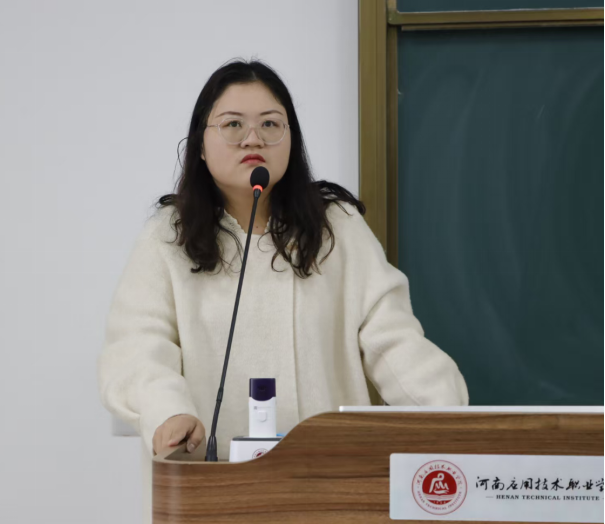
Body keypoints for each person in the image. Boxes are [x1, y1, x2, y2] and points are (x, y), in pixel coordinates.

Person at [97, 58, 469, 521]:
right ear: (200, 145)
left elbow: (393, 339)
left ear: (291, 140)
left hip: (331, 485)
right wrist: (167, 412)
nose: (253, 139)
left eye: (270, 124)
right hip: (213, 487)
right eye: (233, 124)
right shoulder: (167, 236)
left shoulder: (336, 227)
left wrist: (452, 417)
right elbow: (137, 348)